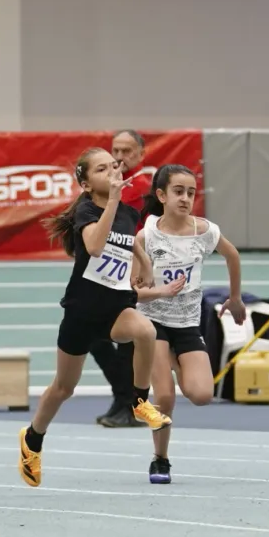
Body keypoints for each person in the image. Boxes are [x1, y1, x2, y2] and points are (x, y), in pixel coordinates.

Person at [18, 147, 178, 488]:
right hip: (82, 311)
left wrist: (144, 261)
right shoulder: (88, 211)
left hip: (115, 309)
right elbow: (94, 246)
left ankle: (138, 401)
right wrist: (113, 203)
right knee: (64, 388)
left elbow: (128, 240)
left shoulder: (128, 213)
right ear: (87, 184)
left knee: (145, 331)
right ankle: (33, 438)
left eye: (113, 166)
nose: (112, 172)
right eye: (101, 169)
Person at [132, 164, 245, 483]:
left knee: (201, 395)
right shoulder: (146, 236)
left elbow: (233, 256)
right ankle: (160, 459)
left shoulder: (205, 232)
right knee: (165, 397)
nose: (185, 198)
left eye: (191, 193)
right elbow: (134, 292)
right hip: (153, 324)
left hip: (187, 325)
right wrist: (161, 291)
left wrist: (235, 298)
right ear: (161, 195)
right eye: (178, 192)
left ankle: (176, 360)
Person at [92, 129, 154, 427]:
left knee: (126, 341)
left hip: (133, 270)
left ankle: (128, 404)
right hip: (106, 269)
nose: (119, 156)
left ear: (141, 154)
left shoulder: (142, 187)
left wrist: (141, 270)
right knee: (95, 336)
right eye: (115, 150)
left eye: (127, 151)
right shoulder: (108, 183)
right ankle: (124, 401)